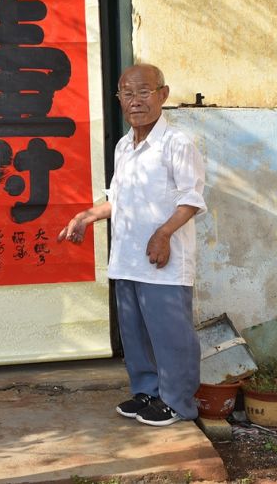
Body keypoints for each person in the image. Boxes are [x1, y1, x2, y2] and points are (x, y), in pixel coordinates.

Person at [57, 63, 206, 427]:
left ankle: (178, 402)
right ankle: (148, 392)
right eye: (127, 93)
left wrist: (164, 233)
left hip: (162, 260)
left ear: (163, 95)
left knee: (170, 334)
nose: (135, 100)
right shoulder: (124, 146)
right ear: (119, 98)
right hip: (126, 257)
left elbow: (192, 198)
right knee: (136, 332)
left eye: (144, 91)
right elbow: (119, 199)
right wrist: (89, 215)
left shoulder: (177, 143)